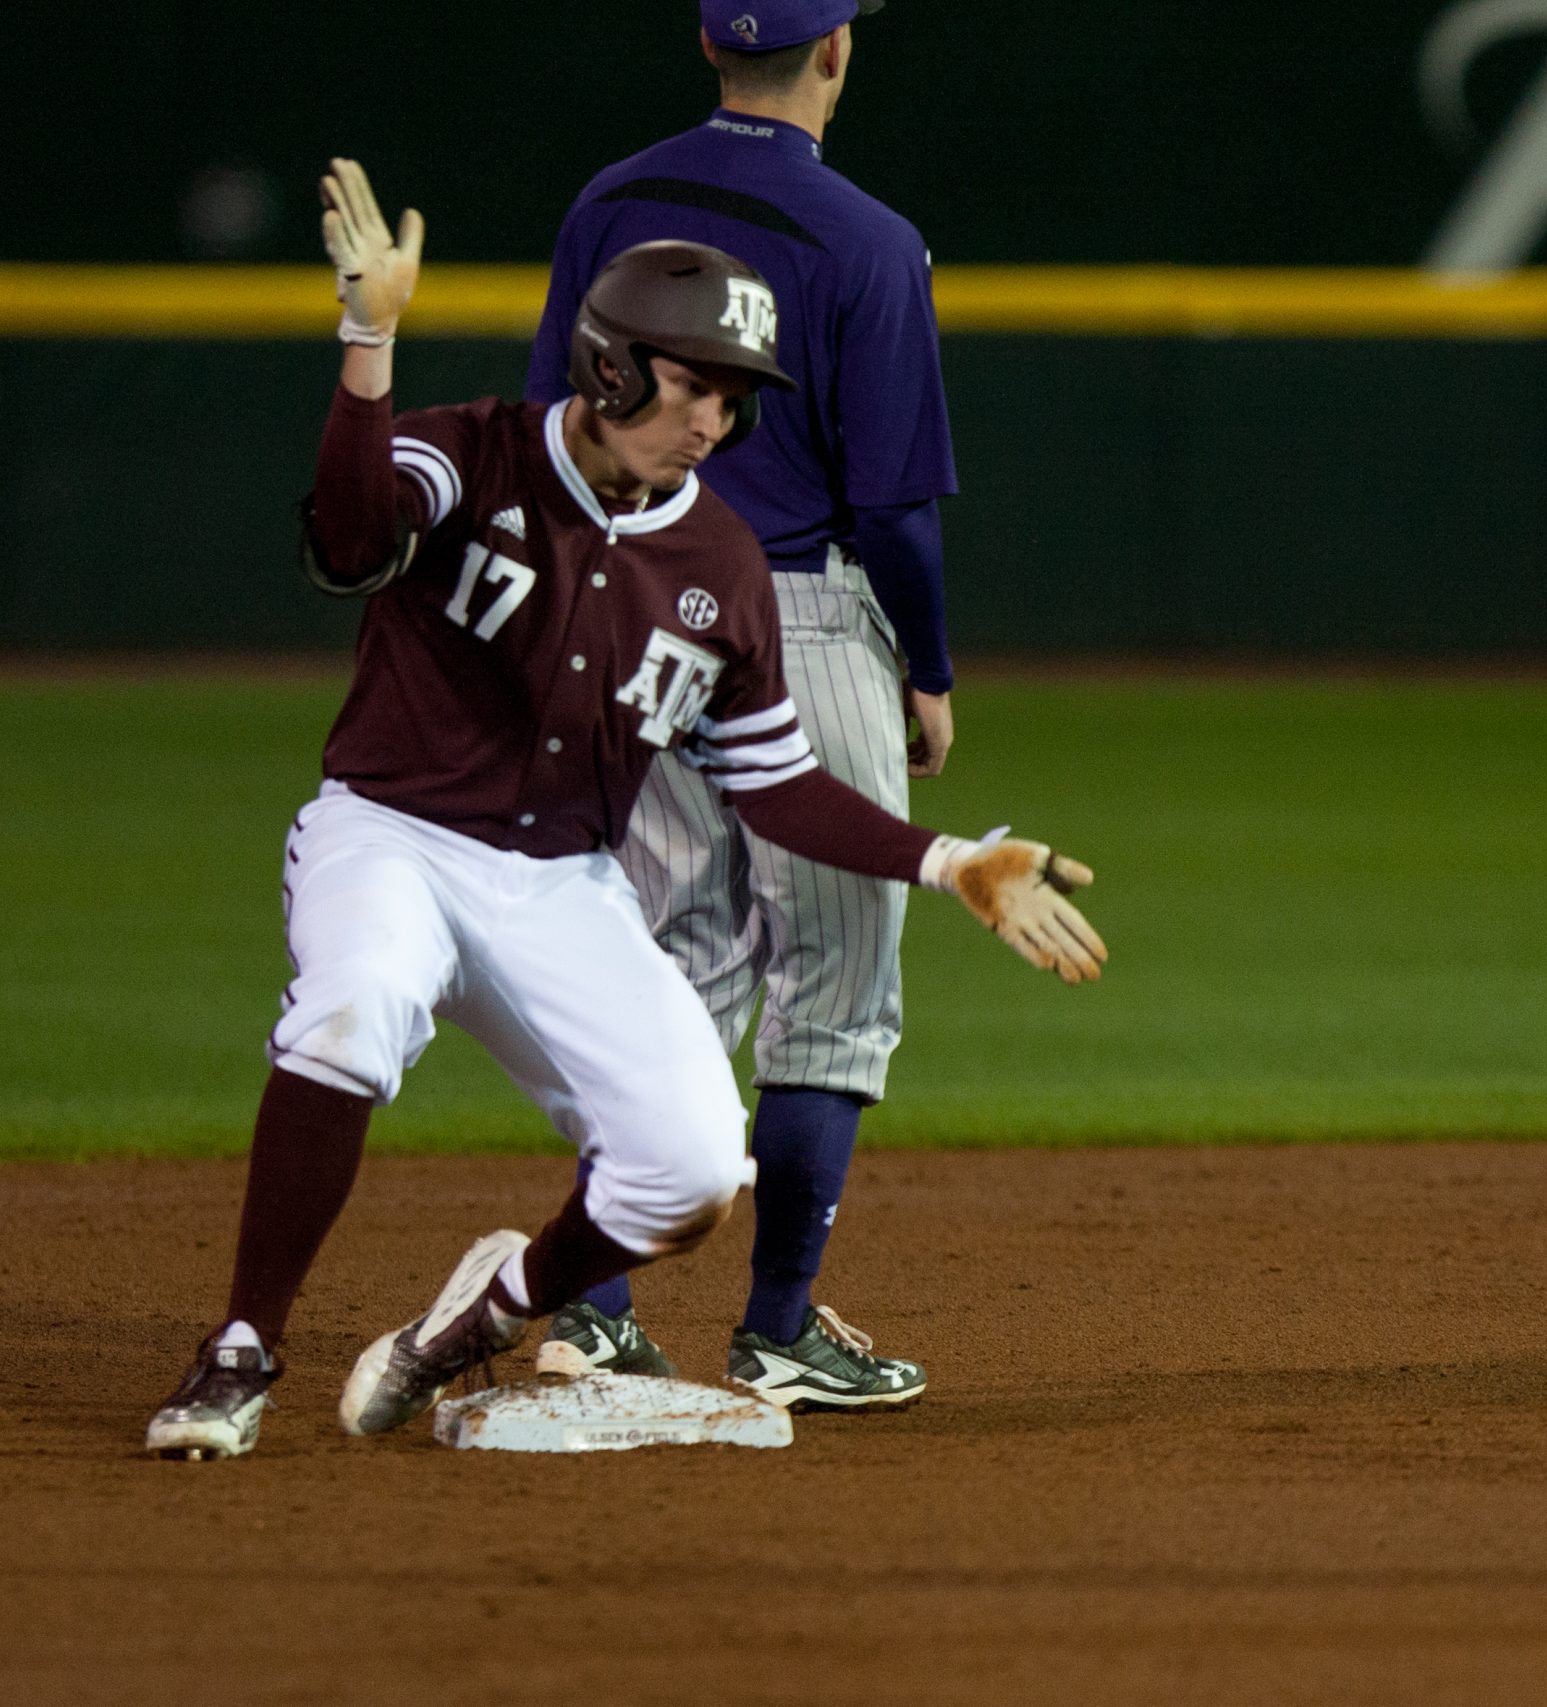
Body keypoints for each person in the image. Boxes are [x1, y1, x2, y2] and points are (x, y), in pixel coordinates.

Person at [143, 160, 1103, 1459]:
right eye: (694, 382)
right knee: (353, 1008)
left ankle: (487, 1315)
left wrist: (947, 861)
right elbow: (354, 535)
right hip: (393, 838)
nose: (714, 418)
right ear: (609, 369)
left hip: (561, 883)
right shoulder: (468, 451)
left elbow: (775, 782)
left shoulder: (716, 564)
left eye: (734, 397)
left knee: (694, 1161)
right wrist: (366, 343)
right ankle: (240, 1351)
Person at [523, 0, 959, 1410]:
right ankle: (778, 1325)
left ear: (711, 48)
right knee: (831, 990)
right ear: (836, 51)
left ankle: (590, 1308)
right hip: (807, 617)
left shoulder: (609, 200)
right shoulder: (873, 243)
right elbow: (894, 511)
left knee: (666, 975)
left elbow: (551, 437)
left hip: (636, 610)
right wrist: (930, 668)